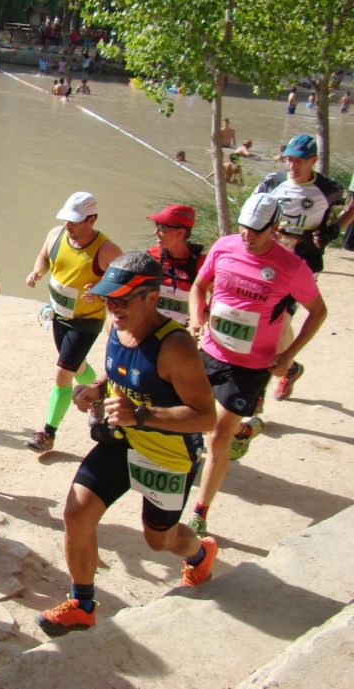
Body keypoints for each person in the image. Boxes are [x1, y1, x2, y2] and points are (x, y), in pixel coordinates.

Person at [35, 252, 218, 637]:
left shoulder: (176, 347)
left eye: (121, 299)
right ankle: (82, 605)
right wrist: (96, 390)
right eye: (107, 299)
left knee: (159, 540)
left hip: (167, 455)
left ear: (151, 298)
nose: (112, 307)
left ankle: (200, 553)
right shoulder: (115, 328)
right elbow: (120, 374)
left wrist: (143, 415)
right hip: (121, 440)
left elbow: (205, 417)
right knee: (76, 514)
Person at [185, 193, 328, 537]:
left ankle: (200, 513)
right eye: (243, 227)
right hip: (209, 352)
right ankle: (243, 434)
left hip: (250, 367)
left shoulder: (292, 268)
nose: (247, 235)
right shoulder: (224, 247)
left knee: (217, 437)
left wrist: (288, 354)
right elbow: (199, 286)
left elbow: (318, 312)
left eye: (256, 230)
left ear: (275, 228)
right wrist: (196, 316)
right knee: (193, 424)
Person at [24, 192, 122, 454]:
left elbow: (126, 281)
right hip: (59, 316)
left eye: (75, 221)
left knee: (62, 373)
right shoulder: (56, 234)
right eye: (67, 219)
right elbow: (44, 256)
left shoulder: (106, 250)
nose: (69, 226)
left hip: (85, 321)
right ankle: (98, 394)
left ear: (92, 219)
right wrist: (38, 271)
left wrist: (102, 289)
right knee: (77, 367)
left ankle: (47, 434)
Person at [256, 134, 350, 400]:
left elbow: (348, 209)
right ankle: (291, 367)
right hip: (270, 259)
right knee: (271, 321)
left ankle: (275, 374)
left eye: (298, 161)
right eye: (288, 160)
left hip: (304, 262)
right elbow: (251, 213)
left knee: (280, 319)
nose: (292, 166)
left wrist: (332, 230)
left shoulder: (329, 189)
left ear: (313, 160)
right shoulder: (272, 182)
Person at [144, 204, 204, 325]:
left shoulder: (202, 263)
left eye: (162, 227)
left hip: (180, 329)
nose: (155, 232)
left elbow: (215, 299)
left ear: (180, 233)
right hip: (149, 324)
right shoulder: (151, 255)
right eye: (156, 226)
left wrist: (198, 320)